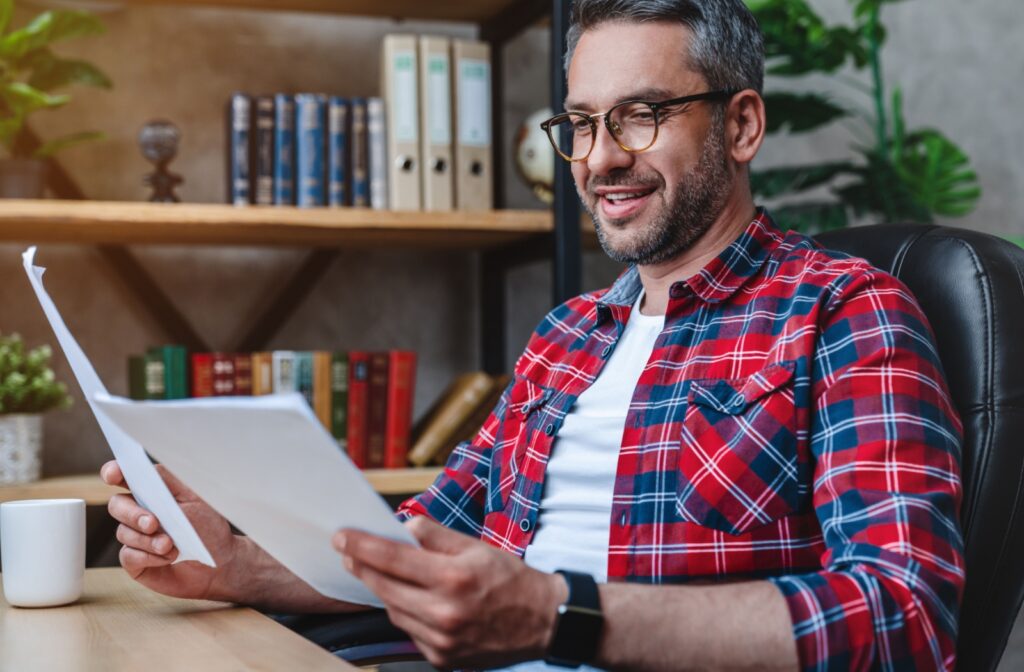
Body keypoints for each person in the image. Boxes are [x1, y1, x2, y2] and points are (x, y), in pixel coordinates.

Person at [102, 1, 965, 669]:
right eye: (582, 124)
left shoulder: (844, 313)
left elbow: (904, 617)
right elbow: (426, 536)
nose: (599, 159)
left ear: (740, 125)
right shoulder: (568, 334)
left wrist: (561, 616)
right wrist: (239, 566)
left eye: (641, 115)